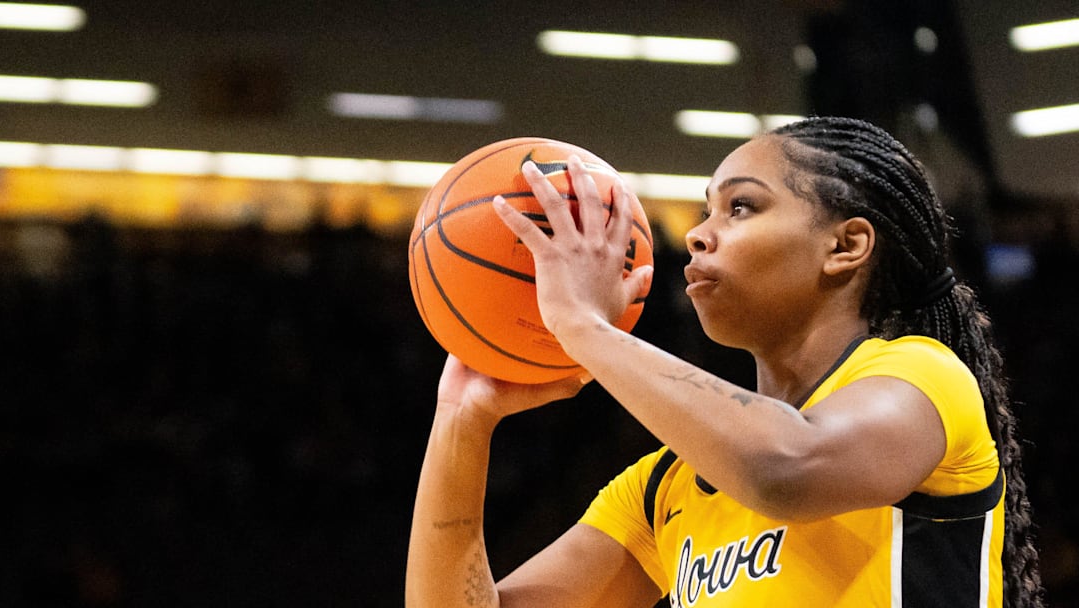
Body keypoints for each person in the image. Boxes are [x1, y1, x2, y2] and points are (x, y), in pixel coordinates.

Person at [405, 116, 1043, 607]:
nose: (697, 232)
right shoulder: (665, 489)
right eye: (706, 208)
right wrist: (462, 418)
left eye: (740, 206)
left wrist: (581, 325)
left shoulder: (923, 379)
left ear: (845, 245)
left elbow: (785, 469)